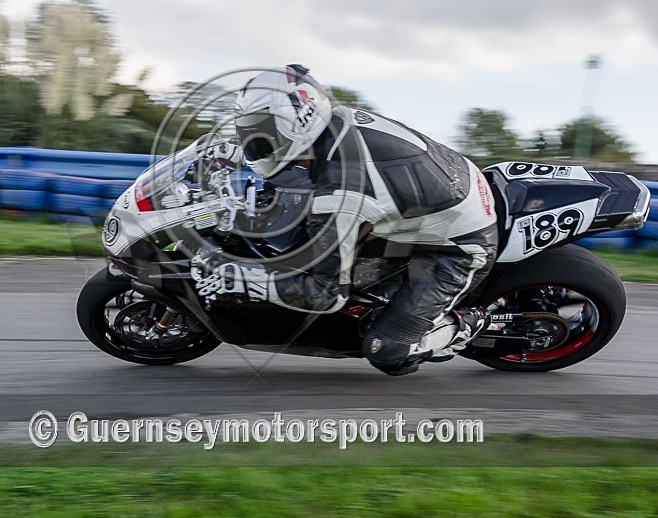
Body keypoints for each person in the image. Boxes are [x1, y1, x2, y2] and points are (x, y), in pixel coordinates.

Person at [192, 65, 498, 375]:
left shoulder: (341, 191)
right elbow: (294, 174)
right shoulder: (331, 122)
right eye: (247, 131)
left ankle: (472, 320)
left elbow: (324, 295)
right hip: (439, 193)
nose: (253, 141)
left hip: (459, 245)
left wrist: (241, 279)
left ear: (299, 121)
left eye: (262, 131)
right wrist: (230, 155)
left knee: (388, 350)